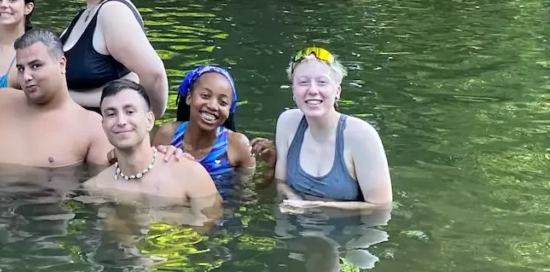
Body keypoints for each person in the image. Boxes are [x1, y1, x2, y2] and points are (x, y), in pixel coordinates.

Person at [251, 47, 393, 212]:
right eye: (303, 82)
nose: (312, 90)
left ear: (337, 91)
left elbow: (380, 207)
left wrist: (314, 206)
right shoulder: (287, 123)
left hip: (350, 233)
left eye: (322, 82)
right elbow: (280, 183)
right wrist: (293, 197)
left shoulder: (362, 136)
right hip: (295, 228)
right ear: (293, 91)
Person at [0, 29, 113, 168]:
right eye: (21, 69)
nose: (26, 76)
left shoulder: (92, 127)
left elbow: (105, 184)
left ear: (61, 64)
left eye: (35, 66)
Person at [60, 0, 168, 116]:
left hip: (107, 134)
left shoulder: (113, 12)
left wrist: (151, 119)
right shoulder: (87, 12)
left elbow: (155, 76)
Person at [85, 79, 221, 217]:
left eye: (130, 111)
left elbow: (210, 227)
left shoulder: (191, 174)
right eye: (111, 114)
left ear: (149, 120)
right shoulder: (97, 187)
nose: (121, 121)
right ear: (103, 126)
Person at [152, 65, 255, 182]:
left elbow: (250, 192)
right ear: (189, 97)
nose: (212, 106)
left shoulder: (238, 145)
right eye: (205, 96)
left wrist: (271, 166)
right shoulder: (168, 135)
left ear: (229, 109)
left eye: (223, 102)